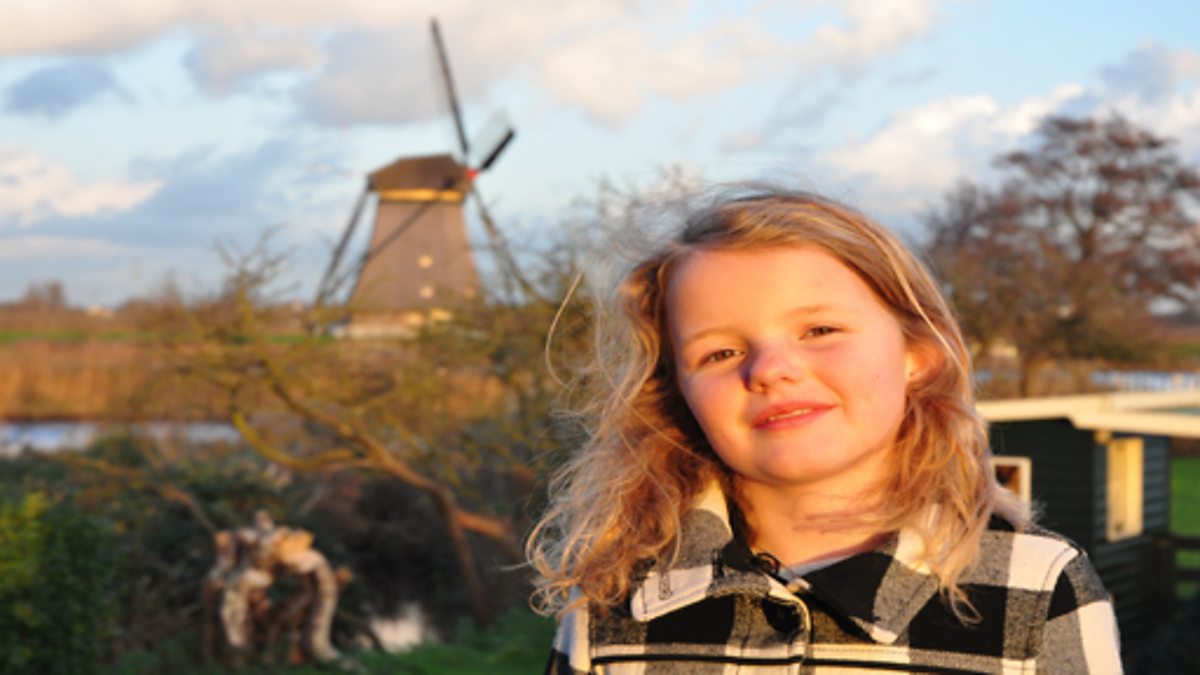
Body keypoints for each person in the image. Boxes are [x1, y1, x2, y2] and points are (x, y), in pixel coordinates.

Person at [527, 187, 1122, 674]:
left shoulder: (1037, 589)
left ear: (917, 354)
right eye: (720, 353)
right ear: (677, 394)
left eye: (819, 331)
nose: (770, 370)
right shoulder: (613, 599)